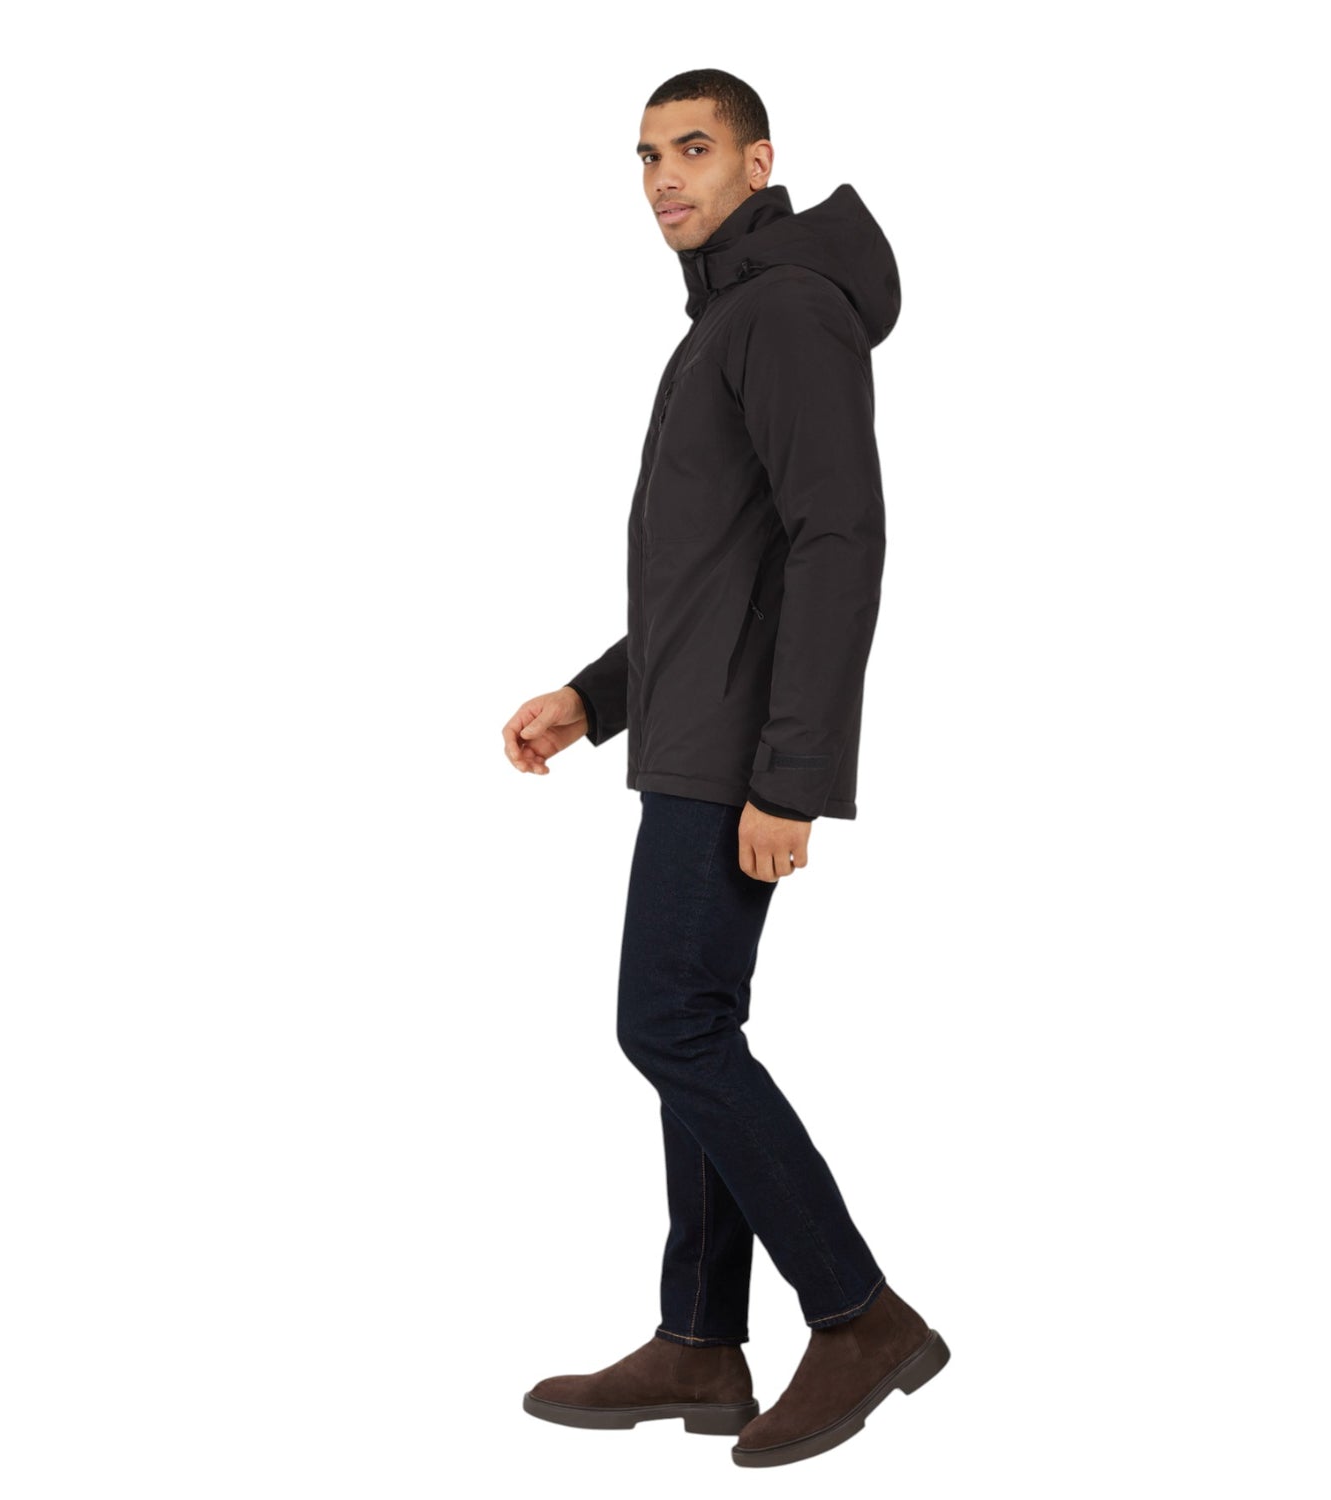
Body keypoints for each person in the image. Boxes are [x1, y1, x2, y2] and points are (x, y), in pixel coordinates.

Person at [501, 68, 949, 1469]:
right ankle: (699, 1339)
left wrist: (793, 778)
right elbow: (715, 580)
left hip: (740, 761)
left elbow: (838, 541)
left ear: (759, 162)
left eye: (692, 150)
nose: (663, 181)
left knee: (670, 1025)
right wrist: (594, 697)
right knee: (691, 1027)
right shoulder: (727, 321)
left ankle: (860, 1314)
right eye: (646, 158)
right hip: (692, 743)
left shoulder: (787, 311)